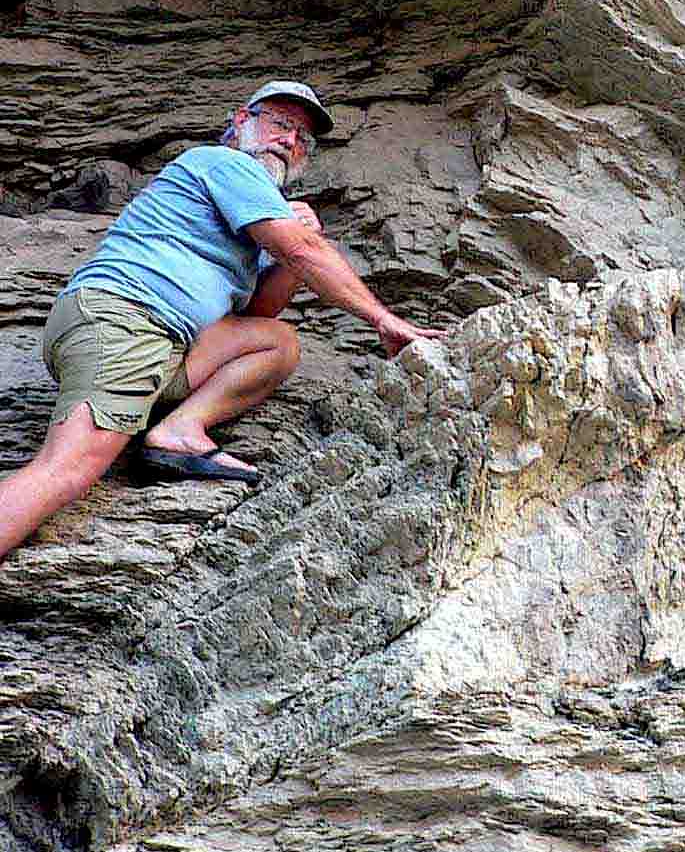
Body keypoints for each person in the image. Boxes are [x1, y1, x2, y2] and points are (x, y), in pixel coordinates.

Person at [0, 80, 446, 562]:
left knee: (276, 342)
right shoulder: (224, 164)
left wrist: (295, 252)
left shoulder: (251, 219)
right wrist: (380, 317)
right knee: (68, 468)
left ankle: (178, 431)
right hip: (126, 320)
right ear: (240, 122)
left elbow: (258, 312)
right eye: (279, 123)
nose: (289, 140)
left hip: (166, 341)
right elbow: (302, 250)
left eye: (302, 138)